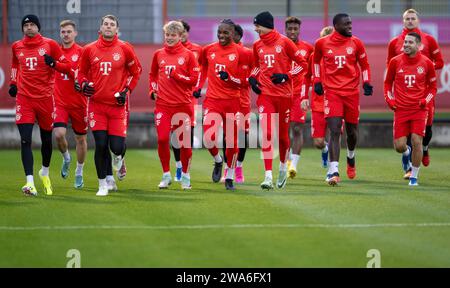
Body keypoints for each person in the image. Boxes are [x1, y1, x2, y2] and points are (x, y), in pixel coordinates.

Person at [77, 14, 141, 196]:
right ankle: (103, 184)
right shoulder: (89, 49)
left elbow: (136, 72)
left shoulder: (125, 48)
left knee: (117, 146)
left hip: (117, 107)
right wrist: (83, 85)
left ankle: (118, 157)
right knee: (101, 144)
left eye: (112, 25)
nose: (108, 27)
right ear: (100, 28)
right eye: (105, 24)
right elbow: (80, 73)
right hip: (96, 106)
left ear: (116, 29)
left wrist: (126, 91)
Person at [10, 14, 71, 196]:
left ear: (38, 27)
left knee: (46, 140)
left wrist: (54, 64)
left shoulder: (50, 45)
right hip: (24, 99)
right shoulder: (16, 46)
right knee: (25, 140)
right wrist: (13, 83)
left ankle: (44, 171)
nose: (29, 27)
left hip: (45, 99)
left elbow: (66, 66)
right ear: (23, 28)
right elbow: (15, 65)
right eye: (26, 25)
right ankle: (29, 183)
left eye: (32, 24)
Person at [313, 13, 373, 186]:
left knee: (352, 132)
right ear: (336, 25)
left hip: (352, 93)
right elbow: (315, 62)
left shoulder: (356, 43)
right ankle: (333, 171)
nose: (350, 26)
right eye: (346, 24)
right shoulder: (322, 43)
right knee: (334, 130)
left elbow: (365, 65)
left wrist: (367, 82)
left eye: (350, 24)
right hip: (332, 93)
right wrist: (317, 80)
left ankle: (351, 156)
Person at [250, 11, 308, 190]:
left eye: (258, 26)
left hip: (284, 97)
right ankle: (267, 176)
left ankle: (283, 167)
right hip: (265, 96)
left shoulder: (285, 42)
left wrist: (286, 76)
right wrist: (252, 78)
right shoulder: (257, 45)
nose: (256, 29)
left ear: (266, 25)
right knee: (267, 134)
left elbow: (303, 64)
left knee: (283, 137)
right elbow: (256, 66)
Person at [387, 8, 444, 176]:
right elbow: (389, 66)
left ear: (418, 21)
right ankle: (410, 166)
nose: (410, 21)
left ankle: (425, 149)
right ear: (403, 21)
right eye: (407, 19)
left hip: (424, 93)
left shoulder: (429, 40)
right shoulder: (395, 42)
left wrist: (422, 69)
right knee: (409, 135)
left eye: (413, 18)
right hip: (404, 95)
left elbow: (439, 62)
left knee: (426, 129)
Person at [197, 19, 249, 190]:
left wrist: (230, 78)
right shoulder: (208, 49)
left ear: (233, 34)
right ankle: (218, 161)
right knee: (208, 138)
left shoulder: (241, 53)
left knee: (232, 142)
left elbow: (245, 81)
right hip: (212, 100)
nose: (221, 35)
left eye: (225, 32)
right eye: (219, 32)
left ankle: (230, 177)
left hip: (232, 102)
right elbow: (203, 66)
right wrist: (199, 86)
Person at [149, 20, 199, 190]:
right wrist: (153, 89)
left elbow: (193, 81)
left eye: (173, 35)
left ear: (180, 36)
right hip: (163, 105)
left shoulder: (188, 55)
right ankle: (166, 175)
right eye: (167, 35)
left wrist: (177, 75)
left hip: (183, 105)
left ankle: (186, 175)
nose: (169, 38)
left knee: (184, 144)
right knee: (163, 139)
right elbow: (153, 75)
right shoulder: (158, 54)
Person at [384, 32, 436, 186]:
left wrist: (425, 101)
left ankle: (414, 176)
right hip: (400, 109)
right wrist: (390, 99)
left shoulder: (427, 63)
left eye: (410, 42)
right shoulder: (395, 61)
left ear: (418, 46)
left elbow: (433, 87)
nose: (406, 45)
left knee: (416, 141)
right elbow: (387, 84)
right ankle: (406, 154)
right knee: (399, 146)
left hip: (419, 110)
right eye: (405, 42)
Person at [52, 20, 86, 189]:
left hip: (79, 103)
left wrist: (57, 65)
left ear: (75, 33)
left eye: (69, 31)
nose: (66, 34)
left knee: (80, 138)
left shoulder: (82, 52)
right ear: (60, 34)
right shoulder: (55, 51)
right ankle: (66, 158)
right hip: (60, 102)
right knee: (58, 134)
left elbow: (77, 71)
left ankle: (79, 172)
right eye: (63, 32)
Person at [170, 20, 203, 182]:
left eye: (183, 32)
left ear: (186, 33)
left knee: (187, 135)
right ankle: (177, 166)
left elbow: (204, 69)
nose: (181, 35)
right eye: (178, 32)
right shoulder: (167, 51)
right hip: (171, 98)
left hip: (189, 98)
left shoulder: (197, 50)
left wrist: (199, 87)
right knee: (174, 135)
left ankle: (185, 169)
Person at [221, 23, 253, 184]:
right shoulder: (221, 51)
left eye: (231, 34)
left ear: (238, 36)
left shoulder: (246, 53)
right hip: (226, 100)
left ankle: (238, 167)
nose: (226, 36)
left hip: (242, 101)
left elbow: (249, 80)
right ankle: (227, 168)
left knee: (242, 136)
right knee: (227, 136)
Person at [283, 16, 314, 179]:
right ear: (285, 29)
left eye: (295, 29)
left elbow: (314, 68)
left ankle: (293, 165)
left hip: (299, 95)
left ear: (299, 30)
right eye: (290, 29)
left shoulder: (308, 48)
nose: (293, 32)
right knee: (283, 131)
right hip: (281, 93)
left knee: (297, 129)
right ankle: (286, 162)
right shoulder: (279, 47)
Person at [301, 26, 334, 171]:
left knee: (335, 136)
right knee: (319, 142)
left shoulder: (340, 57)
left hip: (335, 102)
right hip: (318, 104)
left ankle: (333, 170)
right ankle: (325, 150)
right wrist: (304, 96)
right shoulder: (314, 57)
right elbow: (306, 77)